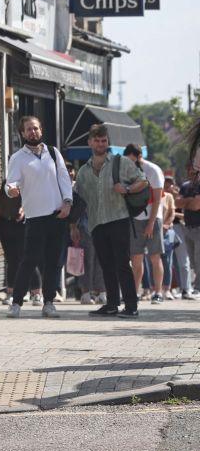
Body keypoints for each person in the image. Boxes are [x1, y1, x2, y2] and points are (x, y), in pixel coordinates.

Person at [71, 124, 148, 318]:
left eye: (103, 140)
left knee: (122, 263)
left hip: (118, 219)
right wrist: (73, 226)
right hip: (96, 223)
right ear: (90, 142)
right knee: (106, 265)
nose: (100, 144)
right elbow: (78, 202)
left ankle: (131, 306)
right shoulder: (83, 172)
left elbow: (143, 180)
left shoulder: (120, 162)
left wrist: (128, 189)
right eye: (97, 140)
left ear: (108, 142)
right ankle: (112, 305)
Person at [4, 116, 72, 319]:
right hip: (34, 216)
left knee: (53, 261)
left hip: (57, 215)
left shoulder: (53, 152)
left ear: (41, 130)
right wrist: (12, 190)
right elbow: (11, 183)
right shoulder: (18, 158)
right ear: (22, 133)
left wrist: (68, 202)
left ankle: (49, 302)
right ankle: (16, 302)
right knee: (29, 260)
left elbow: (64, 178)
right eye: (28, 129)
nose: (32, 132)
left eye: (35, 128)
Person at [122, 144, 165, 303]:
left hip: (154, 217)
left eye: (131, 159)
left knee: (155, 256)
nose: (129, 163)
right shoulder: (127, 170)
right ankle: (133, 293)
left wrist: (151, 223)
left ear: (139, 156)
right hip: (135, 218)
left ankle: (158, 292)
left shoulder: (153, 170)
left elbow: (158, 199)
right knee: (136, 258)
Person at [167, 176, 195, 299]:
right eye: (165, 185)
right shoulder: (162, 197)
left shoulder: (179, 196)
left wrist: (173, 212)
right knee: (167, 262)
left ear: (173, 185)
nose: (167, 188)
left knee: (183, 261)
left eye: (169, 185)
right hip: (166, 228)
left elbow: (185, 214)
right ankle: (167, 289)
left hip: (178, 228)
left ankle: (186, 288)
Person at [175, 165, 200, 298]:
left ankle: (198, 287)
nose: (192, 172)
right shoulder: (185, 186)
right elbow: (176, 203)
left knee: (198, 259)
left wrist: (186, 202)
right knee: (191, 260)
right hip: (188, 227)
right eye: (190, 169)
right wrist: (190, 200)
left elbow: (197, 206)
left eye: (195, 170)